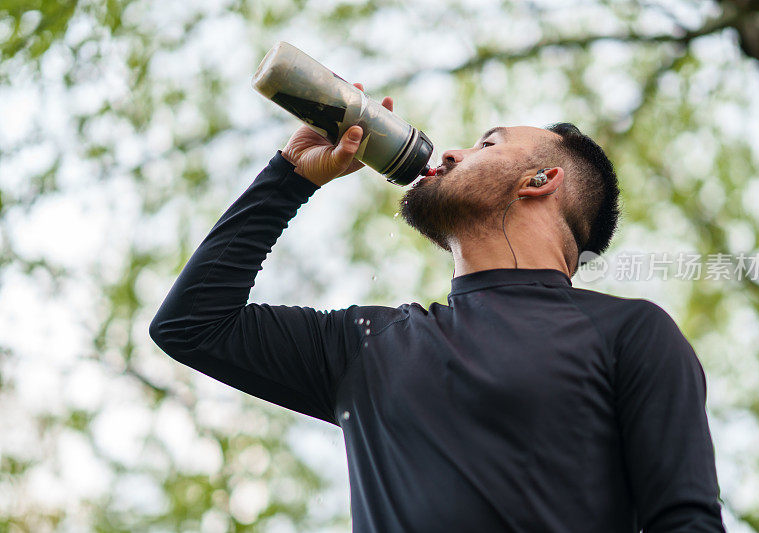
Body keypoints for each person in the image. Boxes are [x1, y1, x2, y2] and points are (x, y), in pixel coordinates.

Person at [149, 84, 725, 532]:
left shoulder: (629, 333)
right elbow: (191, 325)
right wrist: (288, 179)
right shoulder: (371, 342)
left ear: (541, 180)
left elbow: (686, 521)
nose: (451, 151)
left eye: (488, 143)